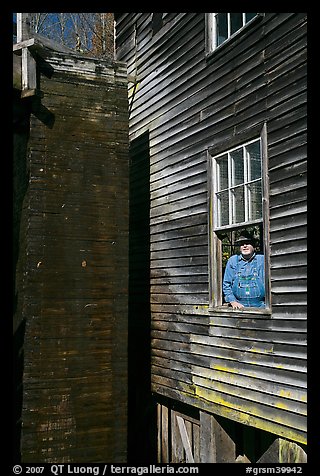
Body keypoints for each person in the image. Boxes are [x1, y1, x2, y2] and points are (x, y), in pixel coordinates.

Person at [222, 231, 265, 309]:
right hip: (239, 307)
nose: (244, 246)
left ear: (253, 246)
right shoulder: (233, 261)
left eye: (248, 243)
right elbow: (226, 284)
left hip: (260, 306)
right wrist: (232, 301)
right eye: (242, 244)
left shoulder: (262, 259)